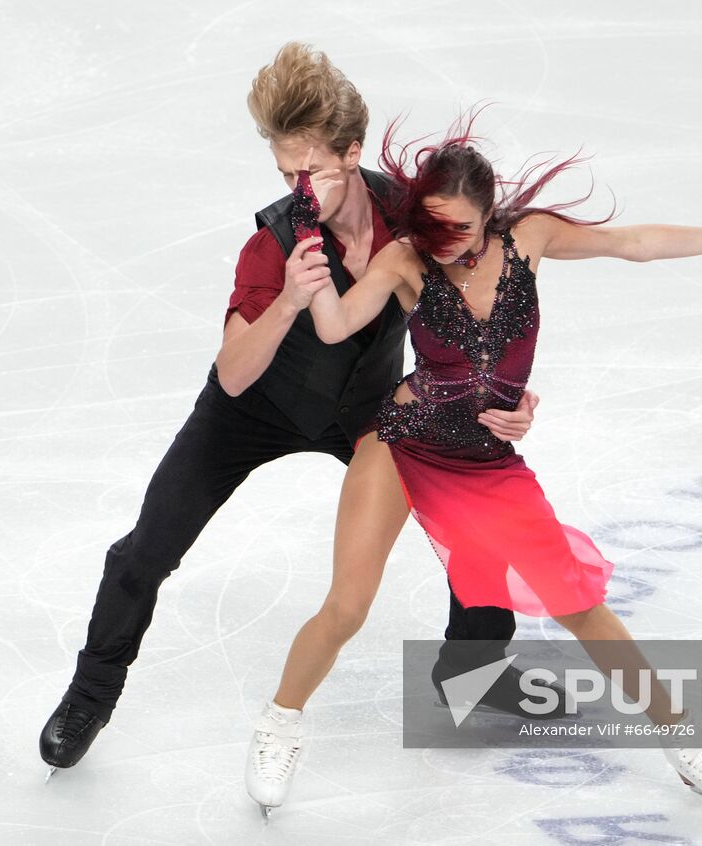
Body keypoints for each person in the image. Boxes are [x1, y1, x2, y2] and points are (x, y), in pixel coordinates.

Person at [243, 112, 702, 818]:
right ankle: (280, 724)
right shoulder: (405, 259)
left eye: (459, 227)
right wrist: (306, 265)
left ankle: (683, 741)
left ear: (490, 215)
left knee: (580, 605)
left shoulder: (531, 237)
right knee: (347, 607)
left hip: (483, 460)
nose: (444, 240)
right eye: (432, 224)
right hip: (401, 444)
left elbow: (631, 244)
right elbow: (335, 326)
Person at [38, 44, 550, 778]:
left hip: (369, 411)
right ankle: (91, 693)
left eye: (311, 171)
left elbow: (487, 280)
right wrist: (286, 300)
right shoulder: (272, 242)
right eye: (285, 174)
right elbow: (233, 374)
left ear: (352, 152)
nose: (297, 188)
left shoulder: (413, 215)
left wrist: (498, 387)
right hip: (253, 409)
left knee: (475, 516)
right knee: (144, 551)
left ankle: (470, 671)